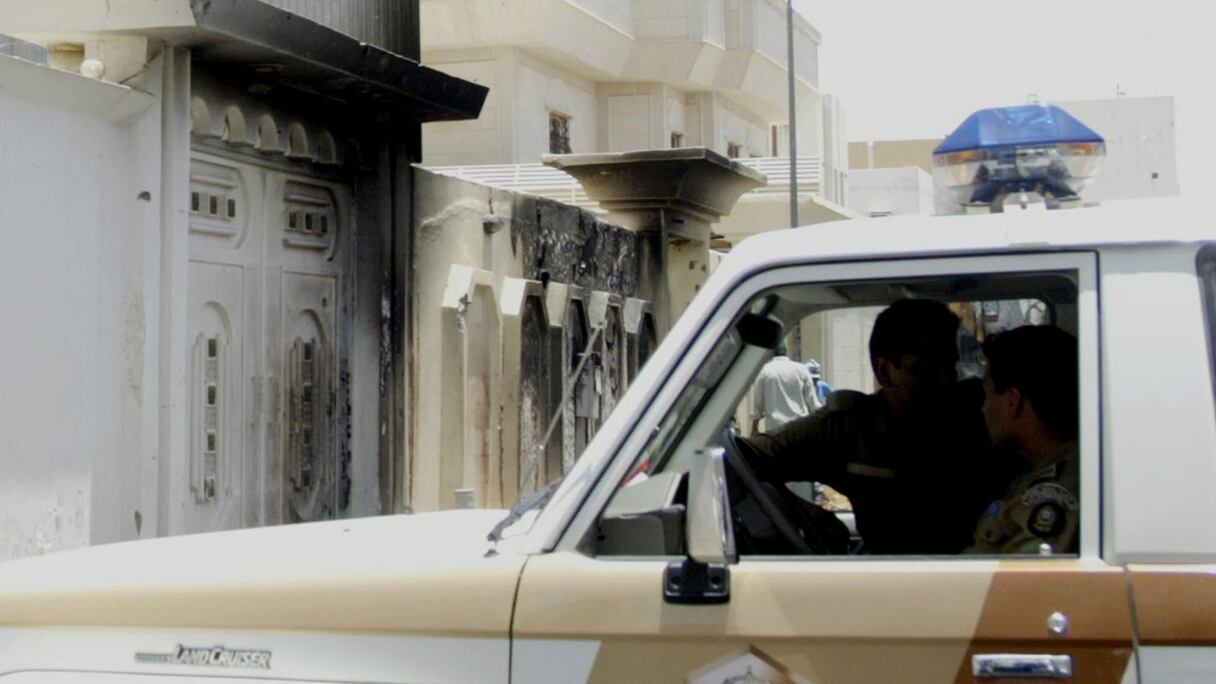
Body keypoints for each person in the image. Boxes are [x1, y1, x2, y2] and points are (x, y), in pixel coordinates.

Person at [745, 299, 1010, 555]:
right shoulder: (849, 428)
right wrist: (801, 511)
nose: (946, 379)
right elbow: (740, 458)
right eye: (926, 367)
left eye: (950, 364)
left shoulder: (985, 414)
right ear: (884, 371)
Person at [966, 326, 1079, 555]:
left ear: (1012, 402)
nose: (983, 408)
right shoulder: (1033, 475)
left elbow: (1018, 584)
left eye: (987, 395)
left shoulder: (1055, 493)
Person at [750, 342, 821, 435]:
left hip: (775, 431)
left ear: (771, 353)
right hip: (800, 428)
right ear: (786, 352)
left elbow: (757, 404)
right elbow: (812, 403)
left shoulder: (764, 371)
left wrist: (754, 428)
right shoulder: (801, 369)